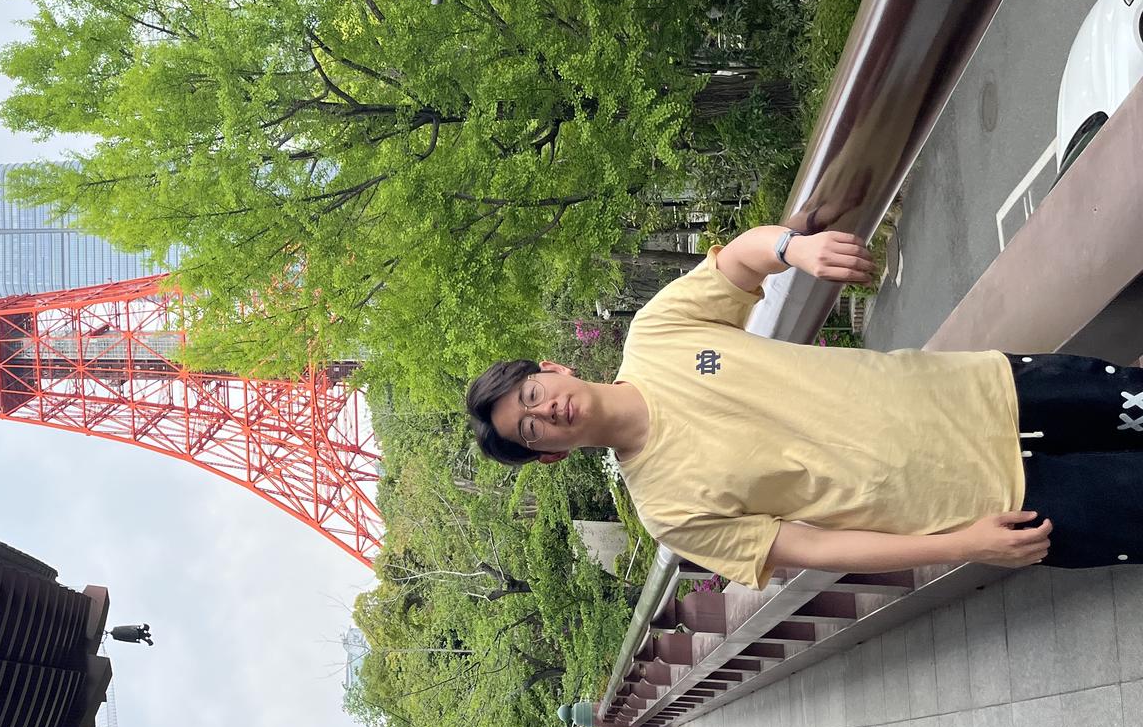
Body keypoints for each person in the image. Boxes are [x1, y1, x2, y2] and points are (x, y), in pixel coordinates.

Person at [465, 226, 1143, 590]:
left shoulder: (657, 334)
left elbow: (737, 262)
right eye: (531, 428)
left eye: (532, 394)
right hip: (984, 503)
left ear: (552, 369)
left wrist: (798, 248)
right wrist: (965, 547)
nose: (546, 410)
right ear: (549, 454)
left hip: (983, 390)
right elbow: (813, 546)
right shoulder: (667, 512)